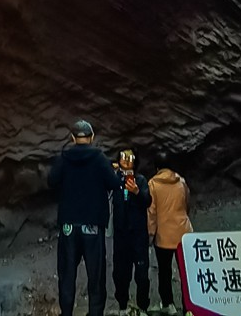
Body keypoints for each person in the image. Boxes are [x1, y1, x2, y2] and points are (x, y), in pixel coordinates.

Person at [48, 119, 117, 316]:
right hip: (92, 227)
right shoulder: (100, 158)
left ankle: (67, 313)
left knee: (67, 274)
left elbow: (51, 180)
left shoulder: (64, 157)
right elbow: (113, 183)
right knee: (96, 276)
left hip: (69, 226)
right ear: (92, 137)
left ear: (72, 138)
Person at [147, 158, 192, 316]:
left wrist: (150, 233)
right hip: (184, 233)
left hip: (164, 234)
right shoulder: (182, 181)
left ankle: (169, 304)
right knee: (186, 272)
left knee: (164, 271)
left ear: (157, 167)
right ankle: (189, 306)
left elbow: (151, 213)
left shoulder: (153, 184)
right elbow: (187, 204)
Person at [110, 147, 151, 315]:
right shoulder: (114, 180)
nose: (126, 161)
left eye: (130, 158)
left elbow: (148, 201)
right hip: (120, 235)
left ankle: (142, 307)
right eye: (123, 158)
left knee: (141, 274)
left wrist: (136, 192)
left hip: (138, 236)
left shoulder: (140, 180)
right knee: (120, 273)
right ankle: (122, 306)